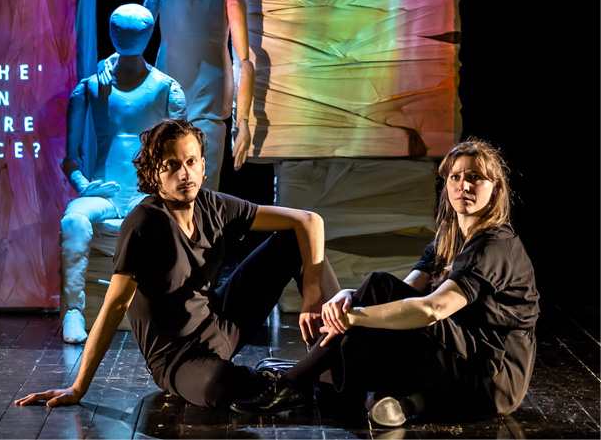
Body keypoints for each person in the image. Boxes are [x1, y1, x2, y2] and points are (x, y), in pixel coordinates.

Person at [15, 118, 340, 409]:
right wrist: (78, 387)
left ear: (203, 165)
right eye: (172, 165)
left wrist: (313, 295)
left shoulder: (213, 205)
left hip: (219, 326)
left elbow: (309, 221)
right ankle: (288, 377)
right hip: (179, 360)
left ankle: (337, 366)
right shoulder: (144, 223)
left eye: (191, 162)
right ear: (153, 173)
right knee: (218, 387)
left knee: (294, 242)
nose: (185, 174)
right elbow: (114, 307)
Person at [231, 139, 540, 427]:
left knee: (378, 289)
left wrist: (353, 317)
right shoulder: (447, 240)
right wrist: (349, 295)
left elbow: (432, 309)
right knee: (376, 298)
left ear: (495, 188)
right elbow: (401, 296)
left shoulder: (495, 245)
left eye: (475, 178)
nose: (464, 185)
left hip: (490, 378)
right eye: (455, 177)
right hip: (458, 359)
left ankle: (294, 382)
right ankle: (319, 380)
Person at [59, 4, 186, 343]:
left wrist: (163, 189)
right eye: (120, 30)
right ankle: (74, 311)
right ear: (111, 33)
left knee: (158, 223)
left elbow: (180, 156)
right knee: (74, 221)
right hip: (103, 190)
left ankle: (164, 308)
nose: (127, 37)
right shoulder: (90, 88)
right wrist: (84, 186)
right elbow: (70, 159)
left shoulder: (166, 89)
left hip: (146, 190)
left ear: (149, 34)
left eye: (135, 31)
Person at [100, 0, 256, 190]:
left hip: (209, 94)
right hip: (168, 91)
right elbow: (135, 30)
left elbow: (244, 61)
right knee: (165, 173)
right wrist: (109, 62)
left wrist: (242, 121)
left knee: (204, 179)